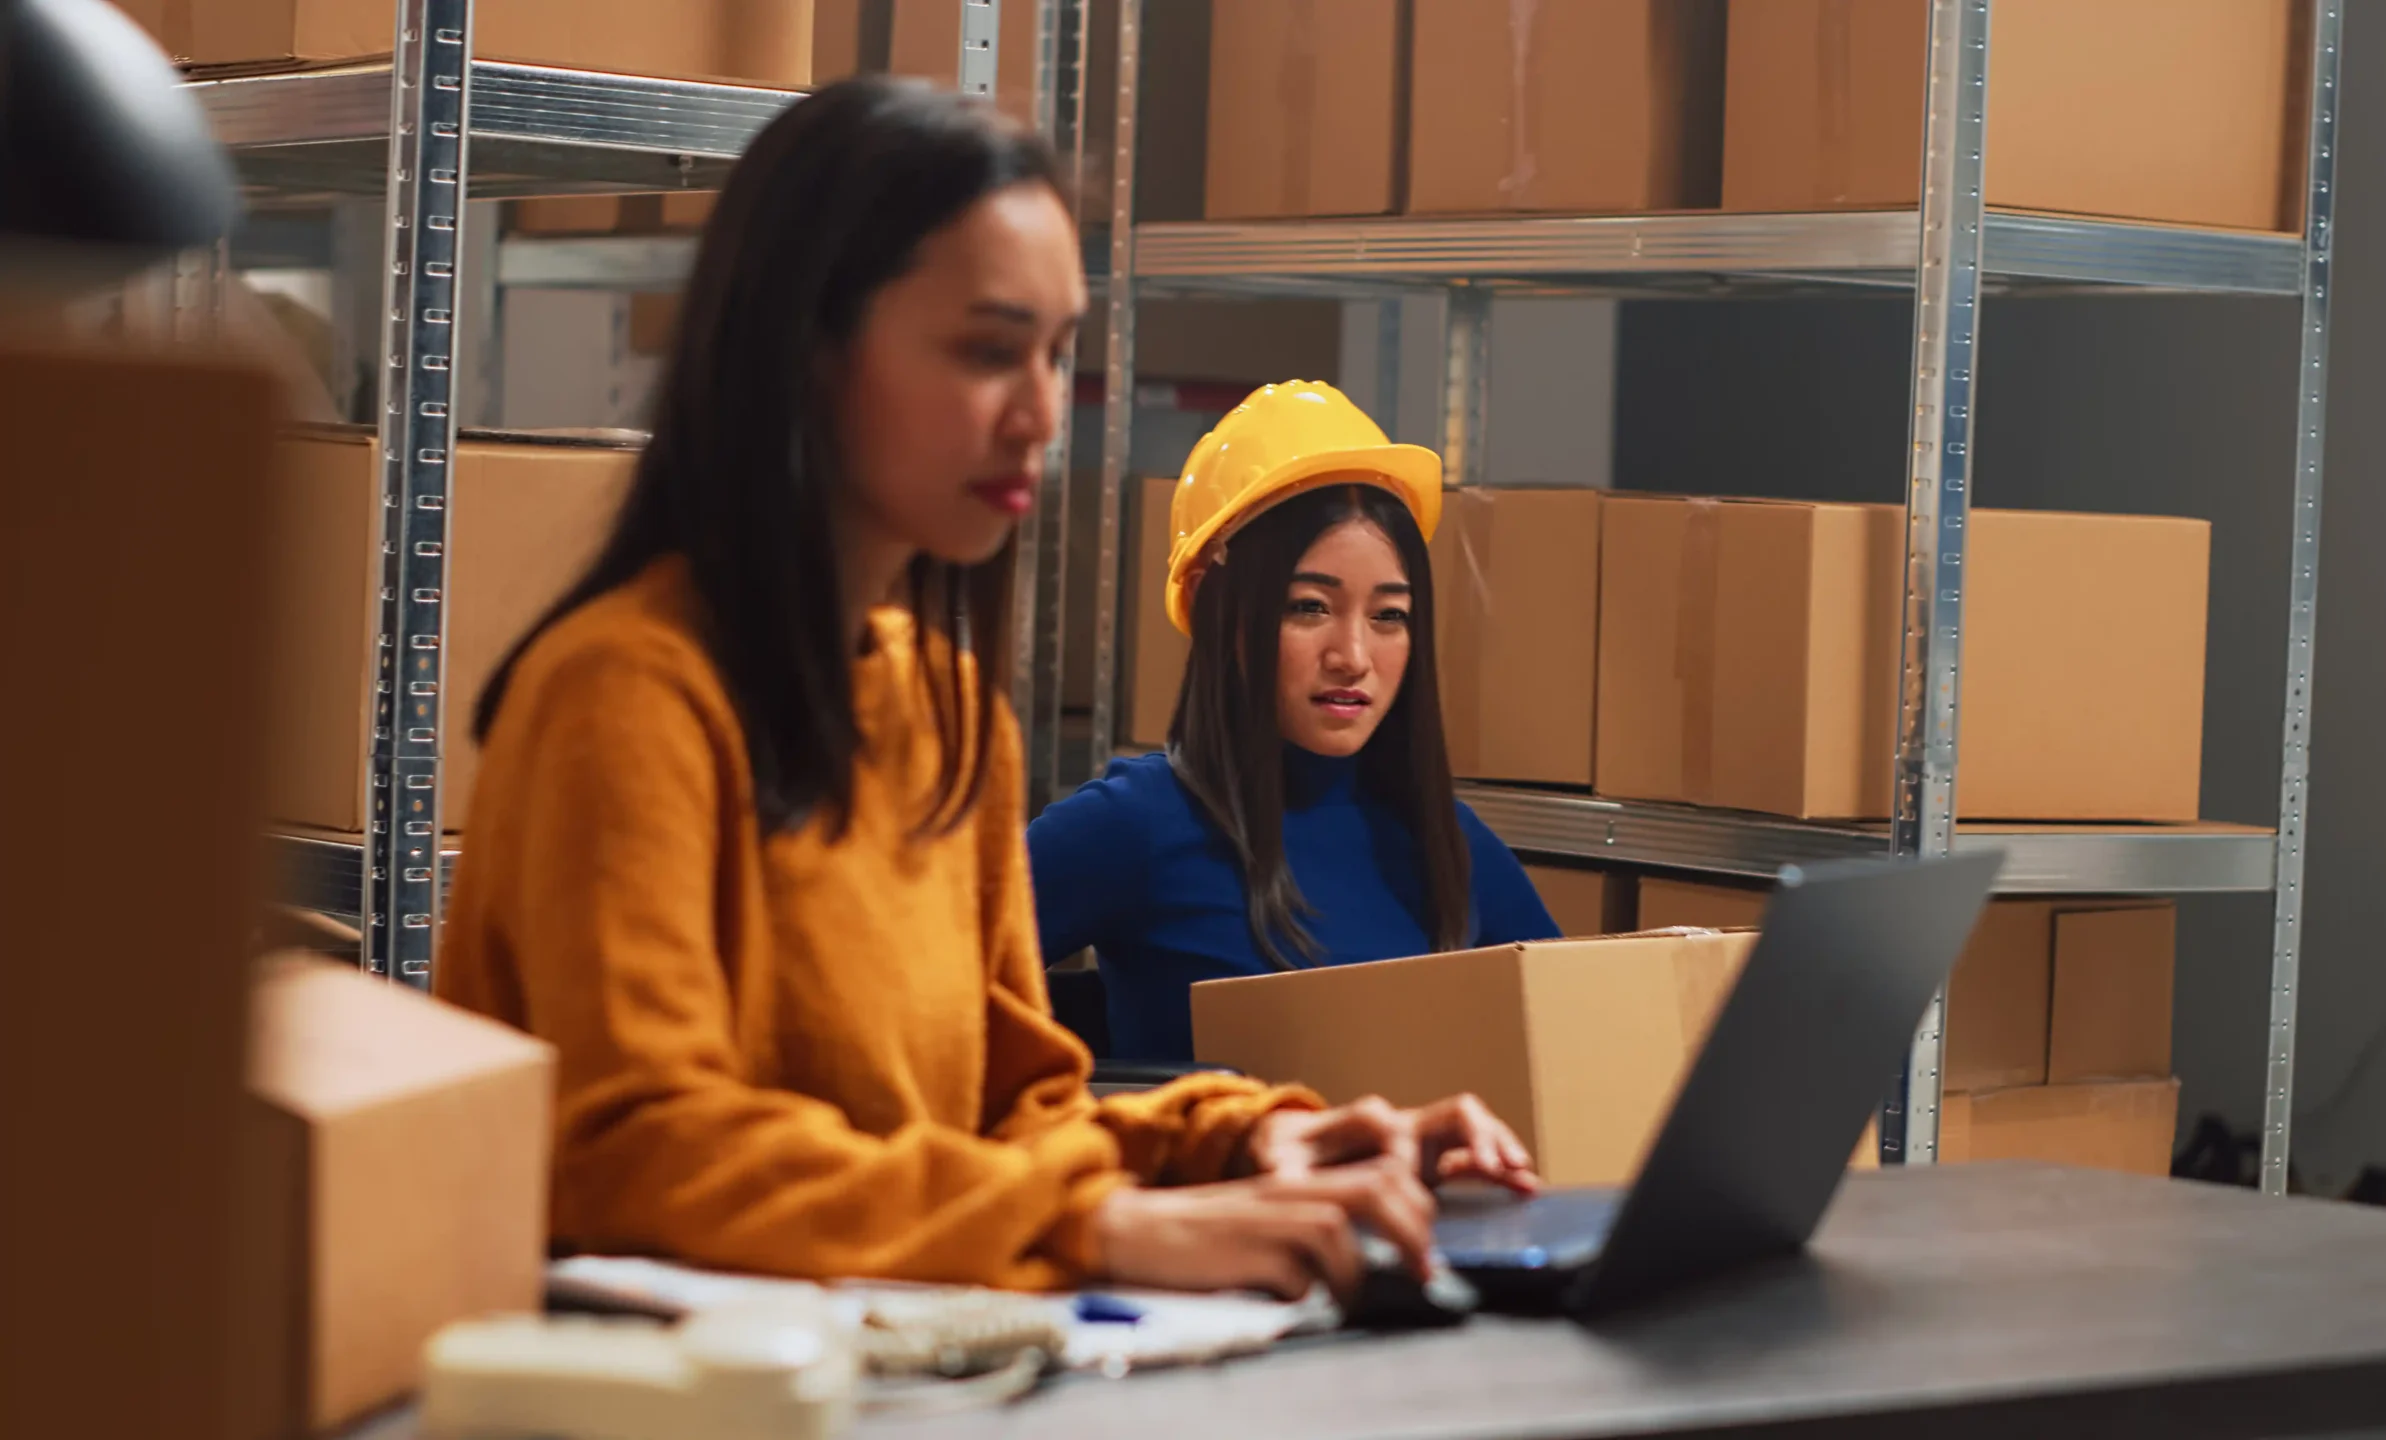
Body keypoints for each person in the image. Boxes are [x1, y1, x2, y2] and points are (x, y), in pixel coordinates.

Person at [434, 80, 1534, 1300]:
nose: (1039, 414)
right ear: (807, 348)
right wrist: (1100, 1229)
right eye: (986, 350)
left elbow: (1016, 1112)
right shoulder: (624, 697)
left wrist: (1238, 1140)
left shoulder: (948, 709)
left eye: (1057, 354)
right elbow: (637, 1157)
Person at [1028, 383, 1561, 1063]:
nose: (1354, 657)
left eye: (1389, 615)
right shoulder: (1132, 827)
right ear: (1212, 604)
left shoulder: (1448, 844)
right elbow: (902, 991)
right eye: (1309, 607)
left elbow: (1573, 1044)